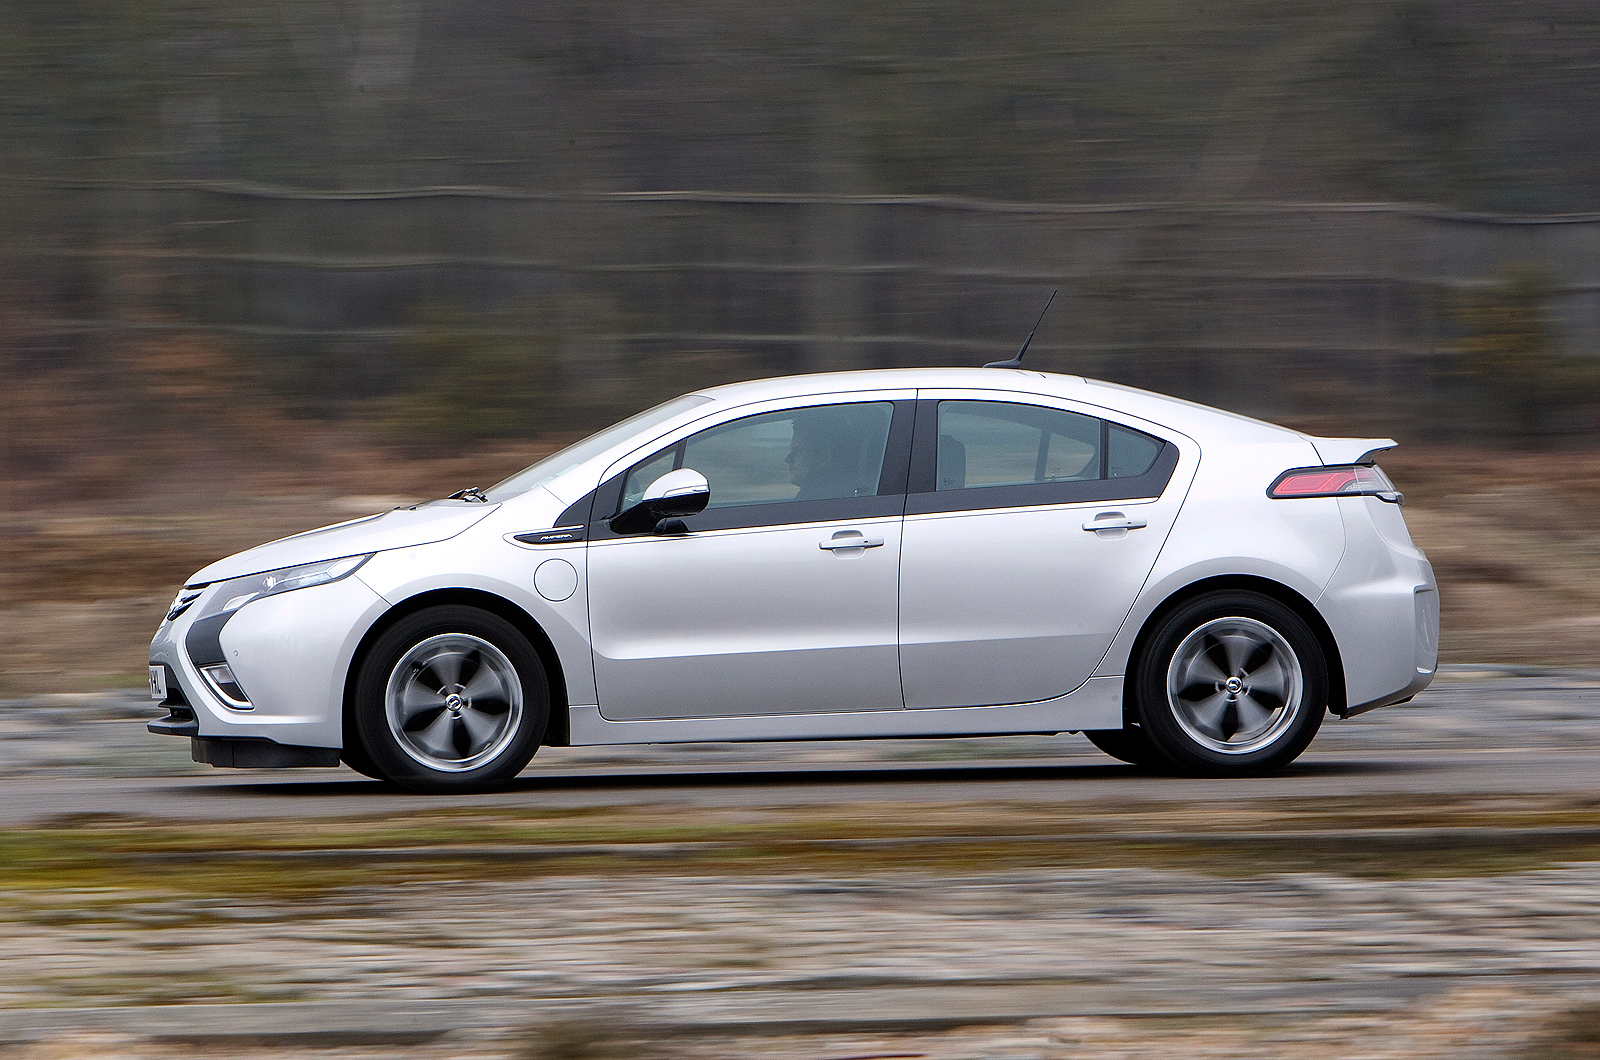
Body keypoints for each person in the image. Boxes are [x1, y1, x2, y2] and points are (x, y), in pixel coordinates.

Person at [785, 410, 865, 501]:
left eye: (798, 451)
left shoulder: (815, 504)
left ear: (824, 456)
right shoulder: (836, 498)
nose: (788, 459)